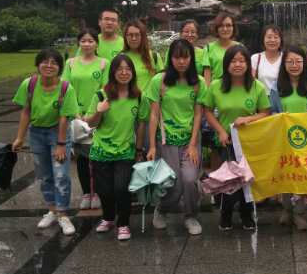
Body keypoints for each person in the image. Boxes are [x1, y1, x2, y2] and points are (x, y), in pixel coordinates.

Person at [201, 45, 271, 230]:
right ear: (226, 64)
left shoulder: (256, 86)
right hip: (226, 141)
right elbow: (207, 111)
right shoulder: (216, 86)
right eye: (233, 61)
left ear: (247, 64)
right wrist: (220, 131)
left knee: (247, 179)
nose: (237, 65)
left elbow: (265, 112)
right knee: (230, 180)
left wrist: (248, 119)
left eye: (242, 61)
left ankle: (247, 214)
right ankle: (226, 214)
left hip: (250, 141)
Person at [12, 48, 80, 236]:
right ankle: (52, 210)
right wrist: (19, 137)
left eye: (54, 63)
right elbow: (26, 111)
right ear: (38, 64)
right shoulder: (29, 84)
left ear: (60, 68)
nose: (49, 66)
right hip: (36, 133)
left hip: (58, 133)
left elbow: (64, 118)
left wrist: (61, 144)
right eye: (45, 62)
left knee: (61, 175)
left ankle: (63, 214)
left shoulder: (65, 88)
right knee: (44, 175)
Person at [145, 39, 206, 235]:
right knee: (173, 182)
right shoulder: (159, 81)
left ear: (191, 59)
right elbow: (154, 115)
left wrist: (193, 144)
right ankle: (162, 209)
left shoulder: (198, 82)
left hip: (189, 140)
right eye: (177, 57)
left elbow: (198, 114)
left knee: (190, 179)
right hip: (166, 141)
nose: (181, 62)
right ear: (170, 58)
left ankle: (190, 215)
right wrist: (152, 146)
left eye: (185, 57)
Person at [87, 54, 149, 241]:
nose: (124, 73)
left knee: (121, 188)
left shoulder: (139, 97)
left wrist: (139, 149)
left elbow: (141, 124)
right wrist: (99, 112)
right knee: (104, 190)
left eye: (128, 69)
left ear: (133, 73)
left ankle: (123, 223)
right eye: (119, 69)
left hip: (125, 151)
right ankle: (108, 218)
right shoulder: (101, 95)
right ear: (113, 72)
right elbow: (90, 124)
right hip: (101, 151)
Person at [268, 44, 307, 231]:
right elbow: (272, 111)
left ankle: (299, 212)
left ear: (304, 63)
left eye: (298, 61)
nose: (294, 65)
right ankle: (286, 209)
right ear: (284, 64)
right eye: (290, 62)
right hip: (283, 137)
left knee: (302, 175)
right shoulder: (276, 86)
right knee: (286, 172)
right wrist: (281, 118)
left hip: (306, 137)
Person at [62, 29, 107, 209]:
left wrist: (95, 113)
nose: (87, 44)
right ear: (79, 43)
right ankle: (86, 192)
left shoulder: (104, 63)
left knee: (96, 156)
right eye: (83, 41)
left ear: (96, 44)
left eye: (90, 41)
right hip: (76, 116)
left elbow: (105, 89)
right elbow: (66, 88)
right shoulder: (71, 63)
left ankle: (98, 192)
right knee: (81, 156)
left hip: (96, 115)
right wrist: (75, 113)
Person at [123, 19, 163, 93]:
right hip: (127, 100)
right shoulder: (120, 58)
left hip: (149, 100)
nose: (134, 38)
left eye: (137, 35)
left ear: (143, 36)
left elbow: (162, 82)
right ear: (125, 37)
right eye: (130, 35)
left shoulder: (154, 57)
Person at [203, 12, 239, 85]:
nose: (225, 29)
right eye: (221, 26)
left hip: (236, 87)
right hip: (216, 88)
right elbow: (207, 76)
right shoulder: (208, 48)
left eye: (228, 25)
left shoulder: (240, 47)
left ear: (233, 28)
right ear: (217, 28)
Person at [251, 24, 283, 93]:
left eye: (276, 37)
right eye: (269, 37)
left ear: (280, 40)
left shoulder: (286, 58)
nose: (272, 40)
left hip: (282, 97)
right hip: (261, 97)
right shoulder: (255, 58)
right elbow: (251, 82)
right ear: (263, 39)